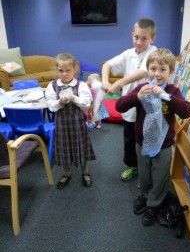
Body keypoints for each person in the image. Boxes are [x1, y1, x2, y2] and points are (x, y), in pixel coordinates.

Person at [115, 48, 190, 226]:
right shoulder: (142, 88)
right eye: (153, 69)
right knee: (144, 174)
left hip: (164, 144)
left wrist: (167, 97)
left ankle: (154, 204)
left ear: (170, 72)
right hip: (142, 143)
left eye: (163, 69)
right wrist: (137, 97)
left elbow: (186, 111)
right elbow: (119, 106)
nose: (157, 74)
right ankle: (145, 195)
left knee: (160, 175)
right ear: (148, 70)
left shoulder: (173, 91)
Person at [102, 18, 157, 182]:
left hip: (147, 107)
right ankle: (133, 166)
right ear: (132, 35)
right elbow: (107, 65)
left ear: (152, 39)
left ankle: (148, 168)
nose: (139, 42)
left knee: (147, 138)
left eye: (144, 38)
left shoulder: (154, 53)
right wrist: (106, 81)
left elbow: (143, 72)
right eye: (136, 37)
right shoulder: (128, 53)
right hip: (130, 105)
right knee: (129, 138)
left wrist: (119, 82)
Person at [45, 53, 96, 189]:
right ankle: (66, 174)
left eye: (68, 70)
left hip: (77, 121)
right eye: (61, 70)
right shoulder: (52, 85)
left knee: (81, 146)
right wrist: (60, 102)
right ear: (57, 70)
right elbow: (51, 106)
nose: (64, 74)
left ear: (75, 70)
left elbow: (86, 103)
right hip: (61, 122)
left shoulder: (81, 85)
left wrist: (74, 98)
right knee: (64, 148)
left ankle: (85, 172)